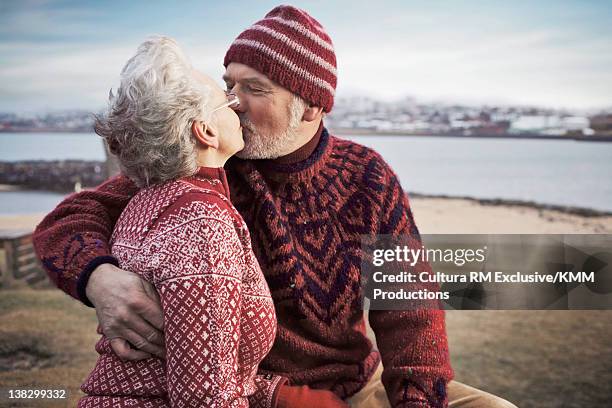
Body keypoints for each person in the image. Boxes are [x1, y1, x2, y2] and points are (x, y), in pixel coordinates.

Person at [34, 5, 516, 408]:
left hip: (356, 384)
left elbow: (410, 311)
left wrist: (415, 401)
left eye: (255, 88)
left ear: (310, 106)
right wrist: (99, 279)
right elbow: (67, 219)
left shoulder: (368, 177)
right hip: (250, 390)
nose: (233, 102)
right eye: (230, 84)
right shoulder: (199, 167)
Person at [73, 35, 294, 407]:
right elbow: (205, 397)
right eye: (226, 100)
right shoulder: (202, 224)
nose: (237, 106)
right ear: (205, 131)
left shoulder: (146, 201)